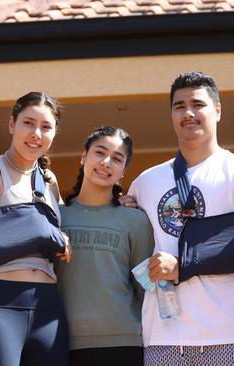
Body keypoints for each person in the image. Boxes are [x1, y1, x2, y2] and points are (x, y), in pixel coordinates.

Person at [126, 71, 234, 365]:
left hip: (229, 333)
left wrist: (183, 266)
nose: (188, 113)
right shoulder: (145, 182)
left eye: (198, 104)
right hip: (163, 337)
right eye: (179, 106)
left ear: (217, 110)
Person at [0, 92, 72, 366]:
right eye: (28, 123)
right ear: (12, 124)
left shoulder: (49, 181)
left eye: (46, 127)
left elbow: (61, 246)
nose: (36, 133)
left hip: (48, 304)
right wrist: (43, 232)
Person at [56, 126, 154, 366]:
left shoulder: (136, 220)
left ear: (123, 171)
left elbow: (146, 289)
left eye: (117, 158)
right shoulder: (55, 217)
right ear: (83, 157)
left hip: (123, 343)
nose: (106, 162)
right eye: (100, 153)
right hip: (60, 341)